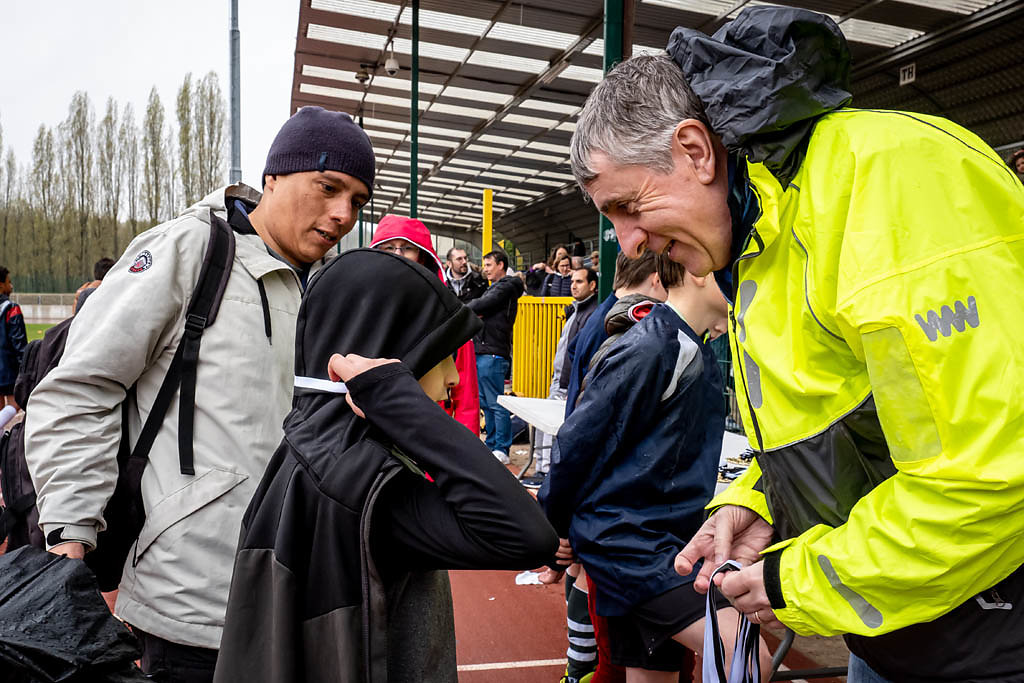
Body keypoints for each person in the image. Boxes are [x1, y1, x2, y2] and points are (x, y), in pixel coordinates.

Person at [569, 7, 1024, 681]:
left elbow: (995, 467)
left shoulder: (887, 183)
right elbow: (849, 419)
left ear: (696, 150)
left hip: (989, 642)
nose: (629, 244)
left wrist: (798, 580)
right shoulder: (761, 234)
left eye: (629, 207)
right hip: (907, 626)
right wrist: (759, 499)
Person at [25, 105, 375, 682]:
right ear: (273, 179)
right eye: (328, 187)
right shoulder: (191, 251)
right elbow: (79, 389)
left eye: (357, 201)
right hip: (190, 609)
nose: (342, 214)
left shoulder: (330, 291)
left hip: (299, 601)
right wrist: (69, 538)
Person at [213, 249, 557, 683]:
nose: (454, 377)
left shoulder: (313, 447)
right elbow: (527, 538)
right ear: (391, 360)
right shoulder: (367, 485)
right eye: (441, 355)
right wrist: (397, 400)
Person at [541, 258, 768, 682]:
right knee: (746, 655)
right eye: (735, 270)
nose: (745, 282)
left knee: (652, 674)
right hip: (632, 545)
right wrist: (554, 525)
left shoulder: (683, 345)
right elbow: (579, 441)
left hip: (660, 538)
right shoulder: (652, 345)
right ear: (700, 270)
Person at [370, 215, 481, 435]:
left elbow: (466, 393)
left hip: (431, 433)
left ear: (422, 257)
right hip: (376, 436)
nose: (398, 255)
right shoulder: (365, 311)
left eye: (407, 248)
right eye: (389, 247)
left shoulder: (449, 317)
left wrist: (461, 458)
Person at [522, 267, 599, 490]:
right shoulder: (576, 310)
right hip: (560, 379)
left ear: (592, 285)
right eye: (572, 281)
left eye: (580, 281)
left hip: (566, 383)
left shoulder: (590, 313)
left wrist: (568, 382)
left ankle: (545, 471)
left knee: (552, 428)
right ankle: (542, 468)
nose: (574, 285)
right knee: (545, 427)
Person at [467, 250, 524, 464]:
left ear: (501, 265)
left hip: (493, 351)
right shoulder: (495, 289)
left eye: (489, 264)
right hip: (483, 350)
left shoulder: (506, 287)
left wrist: (467, 309)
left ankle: (502, 447)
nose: (486, 269)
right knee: (486, 402)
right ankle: (492, 444)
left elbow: (482, 305)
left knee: (496, 403)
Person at [0, 266, 28, 415]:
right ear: (1, 285)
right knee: (15, 405)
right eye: (8, 282)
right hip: (8, 370)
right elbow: (19, 343)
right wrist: (26, 366)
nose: (11, 286)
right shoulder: (11, 309)